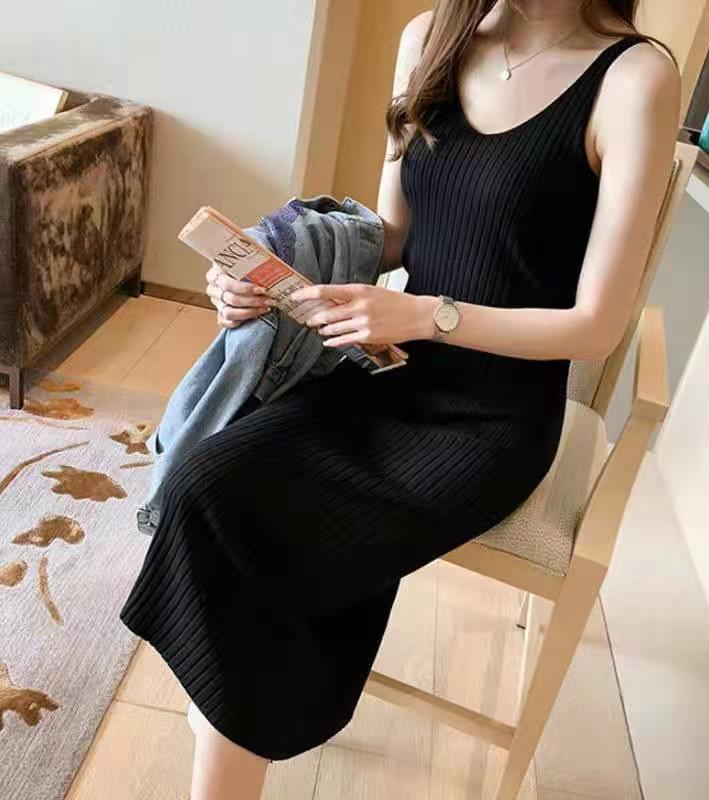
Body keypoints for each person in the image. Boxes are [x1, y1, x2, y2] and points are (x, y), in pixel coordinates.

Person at [119, 1, 680, 797]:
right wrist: (261, 268)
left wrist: (427, 315)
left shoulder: (635, 79)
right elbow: (393, 232)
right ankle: (236, 706)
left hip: (492, 419)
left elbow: (596, 325)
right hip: (384, 373)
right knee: (202, 483)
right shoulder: (429, 39)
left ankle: (226, 729)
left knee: (245, 529)